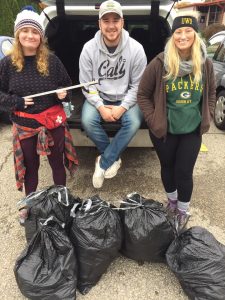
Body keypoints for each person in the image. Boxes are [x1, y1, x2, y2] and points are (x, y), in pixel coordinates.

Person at [137, 14, 216, 230]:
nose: (183, 36)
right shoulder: (160, 62)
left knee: (184, 172)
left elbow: (210, 94)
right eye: (178, 32)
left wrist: (207, 115)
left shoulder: (205, 64)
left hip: (192, 129)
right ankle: (171, 203)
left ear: (195, 34)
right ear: (173, 36)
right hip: (165, 129)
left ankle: (182, 211)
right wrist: (153, 120)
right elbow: (142, 95)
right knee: (168, 167)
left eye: (188, 31)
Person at [0, 6, 78, 197]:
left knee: (57, 164)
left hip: (53, 123)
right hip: (25, 126)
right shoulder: (7, 64)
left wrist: (63, 95)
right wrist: (15, 101)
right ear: (18, 34)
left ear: (41, 36)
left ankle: (62, 200)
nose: (30, 36)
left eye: (35, 31)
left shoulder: (52, 61)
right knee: (31, 167)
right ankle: (31, 203)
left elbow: (67, 88)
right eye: (25, 31)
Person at [79, 0, 147, 188]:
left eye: (115, 20)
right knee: (87, 121)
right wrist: (100, 107)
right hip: (99, 97)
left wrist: (122, 108)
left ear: (122, 22)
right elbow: (86, 85)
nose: (111, 25)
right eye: (106, 20)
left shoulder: (136, 49)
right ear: (99, 24)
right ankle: (113, 158)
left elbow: (138, 87)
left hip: (126, 97)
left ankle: (103, 162)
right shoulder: (88, 49)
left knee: (133, 121)